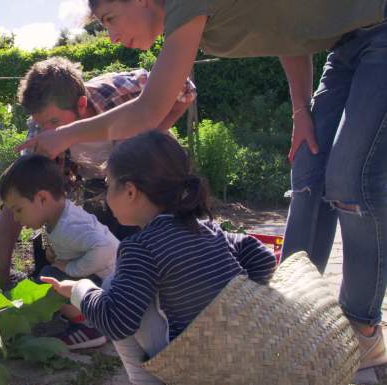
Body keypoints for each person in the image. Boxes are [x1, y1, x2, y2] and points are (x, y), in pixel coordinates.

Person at [21, 0, 387, 370]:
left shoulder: (185, 4)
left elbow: (148, 110)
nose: (112, 36)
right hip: (342, 49)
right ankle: (290, 313)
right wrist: (300, 110)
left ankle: (363, 327)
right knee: (308, 175)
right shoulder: (205, 232)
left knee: (350, 179)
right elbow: (285, 32)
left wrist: (63, 136)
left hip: (380, 26)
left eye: (111, 19)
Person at [42, 132, 278, 384]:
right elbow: (263, 259)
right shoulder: (208, 228)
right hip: (242, 351)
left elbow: (117, 321)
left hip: (193, 367)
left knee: (111, 287)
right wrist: (232, 305)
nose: (105, 196)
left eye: (109, 185)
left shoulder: (140, 248)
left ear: (130, 191)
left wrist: (79, 290)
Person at [0, 57, 196, 289]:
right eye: (40, 123)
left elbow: (185, 88)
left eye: (54, 121)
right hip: (98, 183)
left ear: (81, 104)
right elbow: (20, 193)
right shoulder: (40, 133)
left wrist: (151, 132)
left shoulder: (115, 92)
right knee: (57, 239)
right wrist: (0, 270)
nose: (47, 131)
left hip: (149, 174)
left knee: (154, 242)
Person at [0, 154, 119, 349]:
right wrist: (53, 250)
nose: (15, 218)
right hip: (104, 283)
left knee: (50, 279)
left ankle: (89, 326)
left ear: (42, 198)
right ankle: (81, 313)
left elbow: (106, 249)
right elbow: (56, 236)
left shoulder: (69, 226)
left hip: (113, 289)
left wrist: (71, 269)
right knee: (49, 276)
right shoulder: (58, 217)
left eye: (18, 210)